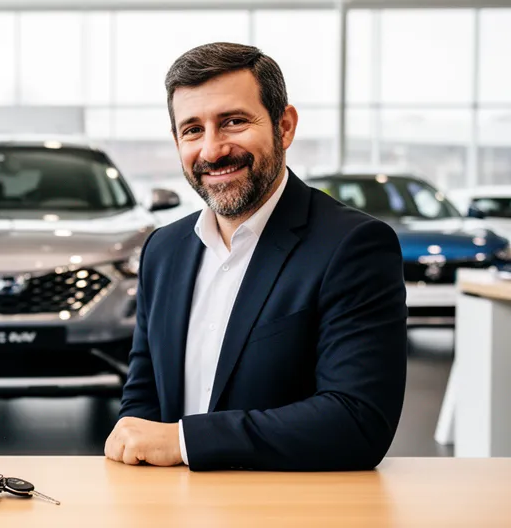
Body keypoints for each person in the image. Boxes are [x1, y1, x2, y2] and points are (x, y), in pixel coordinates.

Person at [104, 42, 407, 471]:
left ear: (284, 126)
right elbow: (144, 396)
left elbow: (357, 421)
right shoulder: (163, 249)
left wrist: (185, 441)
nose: (212, 150)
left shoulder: (354, 245)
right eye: (193, 130)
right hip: (170, 500)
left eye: (233, 122)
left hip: (287, 501)